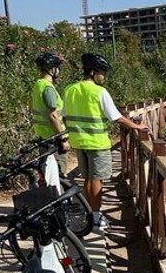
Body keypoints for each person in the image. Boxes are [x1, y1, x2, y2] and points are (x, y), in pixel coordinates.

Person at [63, 52, 148, 231]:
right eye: (102, 72)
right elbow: (116, 117)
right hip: (97, 143)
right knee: (97, 180)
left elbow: (64, 115)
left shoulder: (70, 89)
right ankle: (95, 216)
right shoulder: (99, 92)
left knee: (86, 179)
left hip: (78, 142)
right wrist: (136, 126)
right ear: (93, 72)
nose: (104, 76)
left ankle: (89, 212)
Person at [31, 52, 69, 175]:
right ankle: (59, 194)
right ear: (52, 69)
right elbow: (53, 115)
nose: (58, 71)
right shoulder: (48, 88)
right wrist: (62, 138)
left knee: (48, 172)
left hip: (43, 136)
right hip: (53, 138)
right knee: (59, 174)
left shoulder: (38, 85)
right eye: (57, 68)